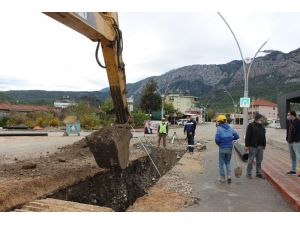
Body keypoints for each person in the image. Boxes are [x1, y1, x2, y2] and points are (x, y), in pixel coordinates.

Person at [215, 115, 239, 183]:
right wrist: (231, 139)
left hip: (222, 148)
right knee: (228, 162)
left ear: (219, 122)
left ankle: (222, 178)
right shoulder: (231, 128)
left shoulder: (219, 129)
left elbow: (217, 140)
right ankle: (229, 176)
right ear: (225, 120)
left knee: (221, 163)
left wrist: (220, 144)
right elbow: (237, 136)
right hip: (229, 148)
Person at [245, 112, 266, 179]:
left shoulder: (262, 126)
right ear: (257, 119)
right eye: (261, 118)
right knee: (250, 160)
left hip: (261, 146)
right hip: (253, 146)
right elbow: (247, 136)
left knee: (259, 161)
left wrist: (264, 144)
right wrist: (246, 145)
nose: (262, 120)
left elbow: (263, 136)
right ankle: (249, 173)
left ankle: (258, 173)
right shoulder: (251, 125)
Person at [286, 111, 300, 178]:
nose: (288, 116)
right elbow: (288, 132)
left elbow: (298, 133)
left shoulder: (298, 122)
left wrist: (295, 140)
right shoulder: (290, 122)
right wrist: (287, 139)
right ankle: (293, 170)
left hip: (296, 142)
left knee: (299, 157)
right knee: (292, 157)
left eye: (289, 115)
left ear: (292, 115)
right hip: (289, 142)